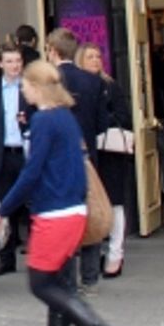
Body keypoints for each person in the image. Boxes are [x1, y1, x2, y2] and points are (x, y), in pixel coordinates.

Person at [0, 62, 121, 326]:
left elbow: (32, 172)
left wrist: (4, 208)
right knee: (61, 286)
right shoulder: (66, 117)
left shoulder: (43, 121)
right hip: (73, 211)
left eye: (26, 84)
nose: (23, 89)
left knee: (40, 283)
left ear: (37, 87)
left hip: (54, 214)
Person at [45, 28, 110, 295]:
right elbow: (101, 123)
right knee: (90, 214)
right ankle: (91, 278)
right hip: (87, 159)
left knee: (65, 218)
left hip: (57, 162)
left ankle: (67, 279)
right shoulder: (93, 82)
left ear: (52, 50)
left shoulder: (47, 82)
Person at [77, 43, 134, 277]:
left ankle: (115, 254)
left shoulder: (110, 86)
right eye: (90, 57)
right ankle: (92, 252)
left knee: (114, 203)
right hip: (88, 154)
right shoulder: (76, 89)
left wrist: (101, 118)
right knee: (91, 204)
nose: (95, 60)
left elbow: (124, 116)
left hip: (110, 153)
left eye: (98, 56)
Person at [0, 43, 33, 278]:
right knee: (5, 209)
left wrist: (26, 122)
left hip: (26, 155)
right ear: (0, 64)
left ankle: (37, 260)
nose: (14, 66)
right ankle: (6, 258)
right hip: (2, 157)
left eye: (18, 61)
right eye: (9, 61)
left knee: (33, 208)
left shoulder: (30, 90)